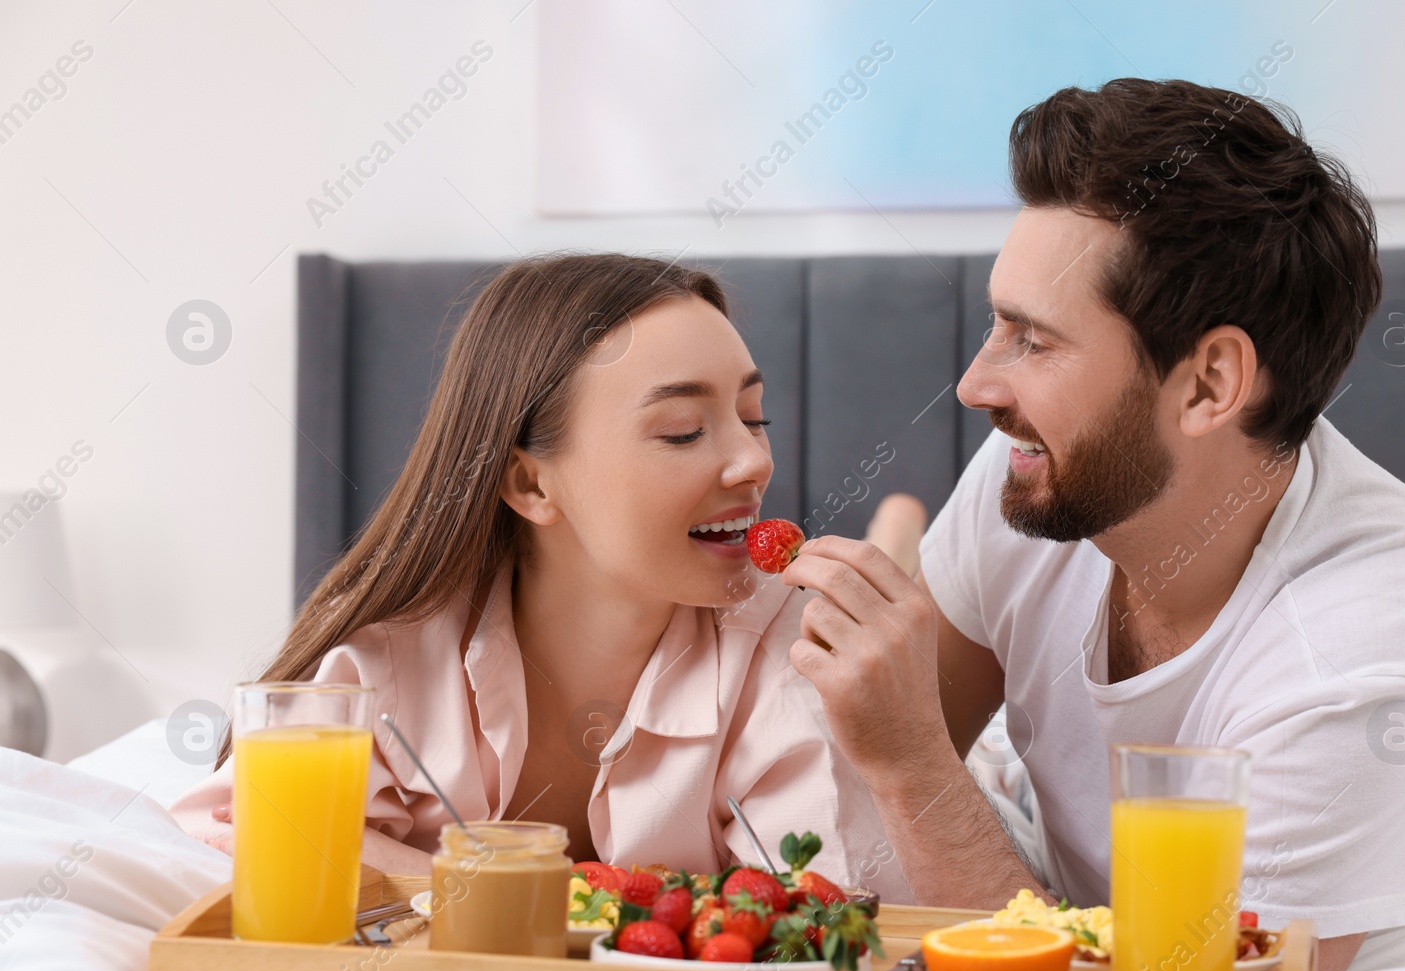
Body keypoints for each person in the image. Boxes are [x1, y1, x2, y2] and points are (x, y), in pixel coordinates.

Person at [779, 79, 1405, 971]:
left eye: (1033, 340)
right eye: (998, 325)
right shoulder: (1041, 469)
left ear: (1208, 383)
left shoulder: (1371, 661)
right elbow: (865, 755)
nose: (976, 388)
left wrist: (915, 765)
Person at [170, 253, 910, 901]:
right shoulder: (391, 660)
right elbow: (230, 831)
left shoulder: (784, 643)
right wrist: (521, 890)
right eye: (684, 429)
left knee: (898, 567)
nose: (755, 463)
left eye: (755, 418)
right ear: (531, 485)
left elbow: (827, 903)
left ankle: (902, 532)